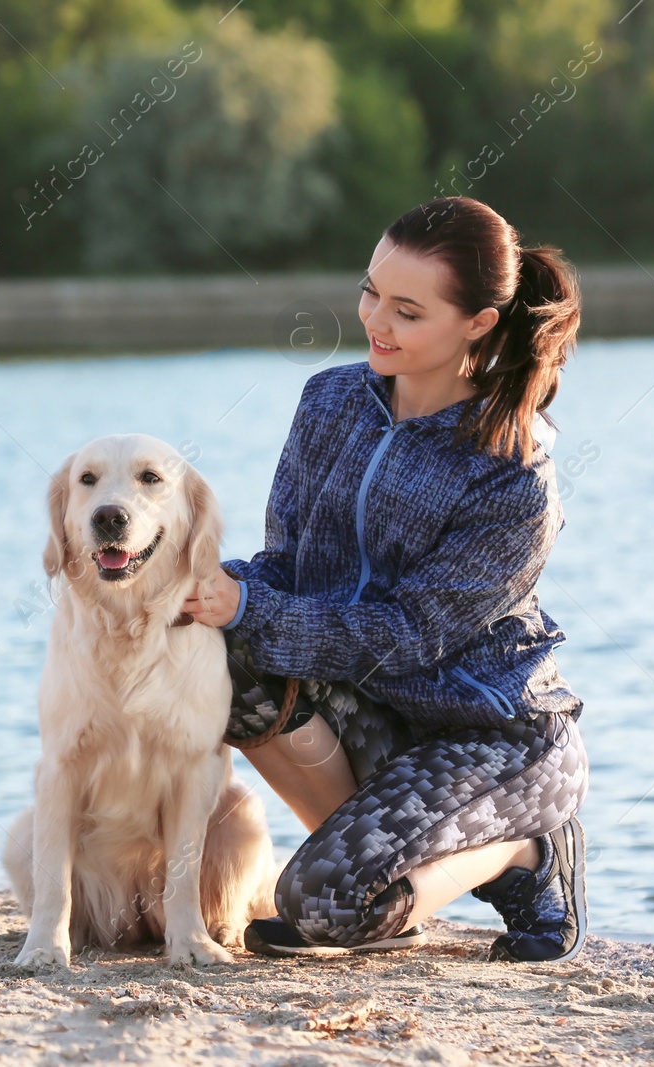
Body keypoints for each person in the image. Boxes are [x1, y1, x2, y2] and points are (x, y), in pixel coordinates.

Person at [181, 196, 590, 962]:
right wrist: (197, 591)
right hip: (375, 716)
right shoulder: (330, 400)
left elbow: (404, 638)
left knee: (322, 905)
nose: (376, 320)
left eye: (408, 310)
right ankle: (374, 870)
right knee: (217, 653)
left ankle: (523, 855)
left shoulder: (514, 475)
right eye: (371, 292)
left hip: (494, 739)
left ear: (477, 323)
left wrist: (248, 605)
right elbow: (284, 570)